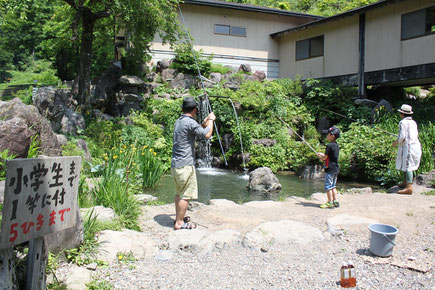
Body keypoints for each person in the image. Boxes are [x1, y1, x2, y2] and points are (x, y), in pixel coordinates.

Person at [171, 97, 216, 230]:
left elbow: (198, 130)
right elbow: (207, 135)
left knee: (179, 193)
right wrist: (211, 120)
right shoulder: (190, 123)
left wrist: (204, 123)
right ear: (195, 109)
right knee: (186, 195)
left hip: (176, 164)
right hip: (185, 165)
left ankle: (179, 217)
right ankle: (179, 223)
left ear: (183, 109)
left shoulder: (180, 121)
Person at [392, 104, 421, 195]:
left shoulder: (402, 122)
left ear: (402, 114)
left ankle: (409, 187)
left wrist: (395, 142)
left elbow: (402, 137)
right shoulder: (413, 122)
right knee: (406, 163)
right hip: (415, 145)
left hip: (409, 147)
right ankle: (406, 182)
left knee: (408, 165)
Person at [317, 126, 340, 209]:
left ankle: (330, 202)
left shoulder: (329, 146)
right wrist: (323, 155)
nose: (327, 135)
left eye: (328, 134)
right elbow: (330, 156)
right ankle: (335, 201)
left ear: (332, 136)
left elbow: (325, 158)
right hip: (336, 168)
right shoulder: (336, 145)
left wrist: (321, 157)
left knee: (328, 187)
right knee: (333, 186)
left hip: (329, 169)